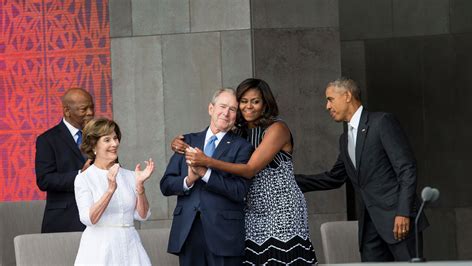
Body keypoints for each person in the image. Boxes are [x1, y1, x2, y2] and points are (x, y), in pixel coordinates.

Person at [177, 78, 317, 265]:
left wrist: (208, 162)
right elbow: (210, 137)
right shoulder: (238, 133)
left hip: (282, 209)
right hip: (251, 210)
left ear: (265, 104)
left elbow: (250, 170)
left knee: (282, 258)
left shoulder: (277, 128)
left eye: (255, 101)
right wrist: (178, 141)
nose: (248, 106)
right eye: (243, 101)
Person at [294, 77, 429, 261]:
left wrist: (403, 212)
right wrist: (289, 181)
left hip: (398, 221)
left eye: (330, 99)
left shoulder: (381, 122)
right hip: (369, 227)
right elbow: (334, 177)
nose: (327, 106)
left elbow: (407, 168)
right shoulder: (345, 139)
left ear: (347, 95)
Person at [160, 88, 254, 266]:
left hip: (224, 235)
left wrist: (205, 173)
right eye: (222, 106)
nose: (226, 113)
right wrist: (188, 180)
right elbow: (165, 185)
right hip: (188, 233)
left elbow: (239, 191)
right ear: (211, 109)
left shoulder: (242, 147)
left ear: (236, 116)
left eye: (232, 109)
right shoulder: (186, 141)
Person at [74, 118, 153, 265]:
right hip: (100, 248)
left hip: (131, 245)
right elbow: (89, 219)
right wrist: (110, 190)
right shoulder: (84, 178)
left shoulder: (129, 175)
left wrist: (140, 187)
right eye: (107, 139)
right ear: (93, 145)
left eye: (115, 138)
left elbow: (143, 215)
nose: (114, 144)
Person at [35, 88, 94, 233]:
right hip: (64, 220)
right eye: (83, 109)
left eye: (92, 107)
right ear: (67, 111)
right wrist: (80, 174)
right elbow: (44, 180)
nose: (90, 113)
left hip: (97, 218)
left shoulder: (98, 136)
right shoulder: (47, 140)